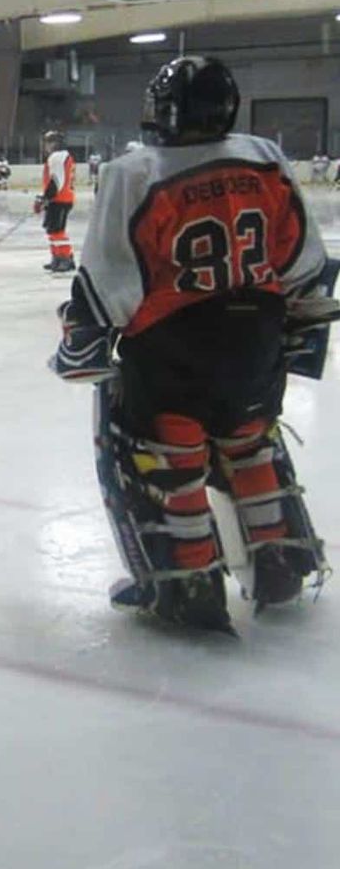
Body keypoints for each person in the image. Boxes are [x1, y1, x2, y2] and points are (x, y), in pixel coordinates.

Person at [50, 55, 333, 634]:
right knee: (249, 441)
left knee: (169, 456)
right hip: (257, 340)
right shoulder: (266, 157)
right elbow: (304, 259)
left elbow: (111, 275)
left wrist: (81, 340)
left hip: (173, 347)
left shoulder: (135, 172)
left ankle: (189, 587)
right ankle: (279, 559)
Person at [35, 130, 75, 273]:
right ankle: (57, 257)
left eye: (47, 142)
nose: (45, 146)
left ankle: (65, 258)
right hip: (61, 198)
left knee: (57, 230)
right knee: (53, 229)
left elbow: (57, 180)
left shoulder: (57, 157)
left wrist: (46, 198)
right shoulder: (62, 156)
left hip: (59, 199)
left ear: (54, 143)